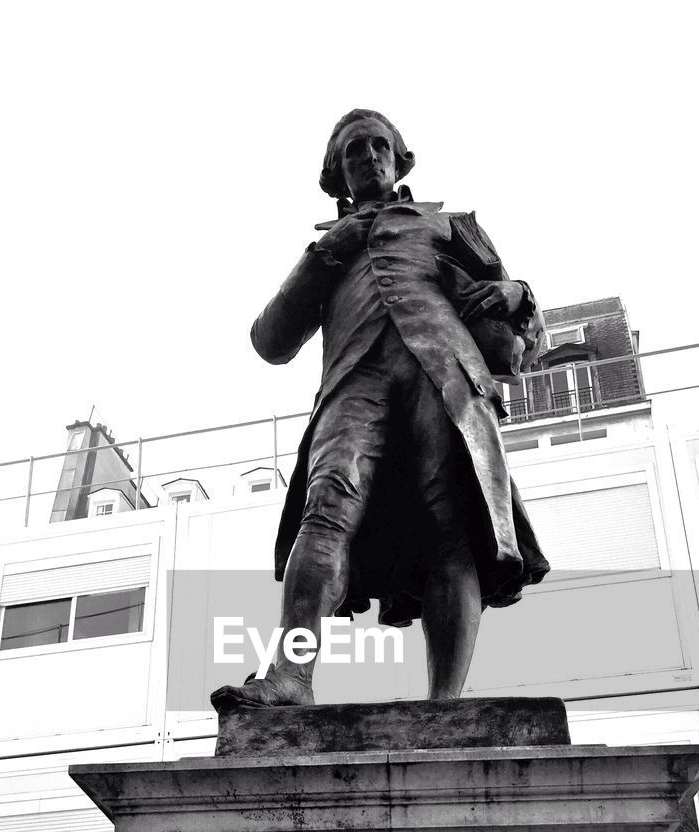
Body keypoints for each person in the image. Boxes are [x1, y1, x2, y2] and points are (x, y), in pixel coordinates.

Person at [212, 109, 550, 709]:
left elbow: (531, 337)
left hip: (443, 373)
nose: (367, 155)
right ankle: (291, 677)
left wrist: (518, 292)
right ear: (336, 176)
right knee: (325, 510)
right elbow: (270, 342)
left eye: (377, 145)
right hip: (352, 381)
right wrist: (323, 257)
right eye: (352, 151)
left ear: (400, 159)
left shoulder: (450, 225)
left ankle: (445, 703)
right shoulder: (329, 250)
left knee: (451, 529)